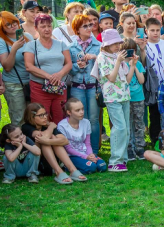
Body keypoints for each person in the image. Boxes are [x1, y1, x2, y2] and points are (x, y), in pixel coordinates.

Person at [92, 29, 135, 172]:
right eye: (114, 43)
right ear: (106, 45)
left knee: (126, 129)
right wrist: (118, 61)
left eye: (119, 43)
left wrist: (132, 65)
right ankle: (114, 161)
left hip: (124, 95)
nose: (118, 46)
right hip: (112, 98)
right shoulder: (102, 57)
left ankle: (122, 159)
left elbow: (127, 80)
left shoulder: (118, 56)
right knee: (119, 128)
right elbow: (111, 77)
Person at [23, 14, 73, 125]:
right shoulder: (31, 45)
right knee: (41, 118)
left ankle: (59, 140)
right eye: (43, 26)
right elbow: (29, 66)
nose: (47, 29)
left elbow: (69, 64)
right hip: (39, 88)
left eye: (49, 26)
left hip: (59, 87)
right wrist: (49, 76)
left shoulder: (61, 44)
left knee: (60, 116)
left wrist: (59, 75)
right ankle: (44, 141)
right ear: (36, 28)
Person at [22, 103, 87, 184]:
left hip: (48, 161)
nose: (45, 117)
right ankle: (58, 172)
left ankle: (73, 170)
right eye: (41, 115)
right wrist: (51, 127)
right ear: (32, 117)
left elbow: (65, 141)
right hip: (34, 164)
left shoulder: (47, 126)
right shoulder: (26, 127)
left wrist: (49, 140)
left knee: (51, 137)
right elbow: (42, 138)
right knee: (47, 139)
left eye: (45, 113)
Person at [68, 14, 101, 154]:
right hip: (77, 87)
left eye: (91, 25)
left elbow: (106, 66)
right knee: (80, 119)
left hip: (93, 86)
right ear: (77, 29)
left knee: (93, 119)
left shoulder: (98, 46)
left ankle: (94, 151)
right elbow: (68, 68)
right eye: (85, 26)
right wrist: (77, 66)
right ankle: (81, 150)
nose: (89, 28)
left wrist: (96, 58)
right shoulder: (71, 47)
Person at [146, 18, 164, 146]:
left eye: (157, 30)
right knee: (154, 112)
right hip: (152, 84)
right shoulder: (144, 45)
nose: (155, 33)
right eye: (152, 30)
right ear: (146, 31)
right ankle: (155, 138)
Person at [58, 98, 106, 174]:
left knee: (102, 165)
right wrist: (86, 157)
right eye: (77, 110)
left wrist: (91, 155)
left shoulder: (86, 122)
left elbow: (87, 143)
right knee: (92, 167)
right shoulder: (62, 126)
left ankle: (86, 165)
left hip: (85, 153)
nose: (82, 112)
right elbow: (68, 148)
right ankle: (66, 167)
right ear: (69, 112)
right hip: (71, 155)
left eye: (82, 109)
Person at [0, 11, 32, 125]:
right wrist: (14, 49)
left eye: (14, 22)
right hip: (14, 85)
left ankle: (30, 142)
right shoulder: (2, 41)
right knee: (19, 119)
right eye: (7, 24)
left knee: (32, 118)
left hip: (31, 83)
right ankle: (17, 142)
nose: (13, 25)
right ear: (2, 28)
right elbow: (7, 67)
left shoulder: (27, 36)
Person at [120, 38, 146, 161]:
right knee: (128, 123)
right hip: (126, 98)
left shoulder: (139, 64)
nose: (131, 54)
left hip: (138, 98)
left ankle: (140, 147)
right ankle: (129, 147)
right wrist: (130, 67)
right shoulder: (121, 65)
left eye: (133, 51)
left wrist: (135, 66)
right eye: (128, 51)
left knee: (139, 123)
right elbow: (127, 81)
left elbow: (142, 80)